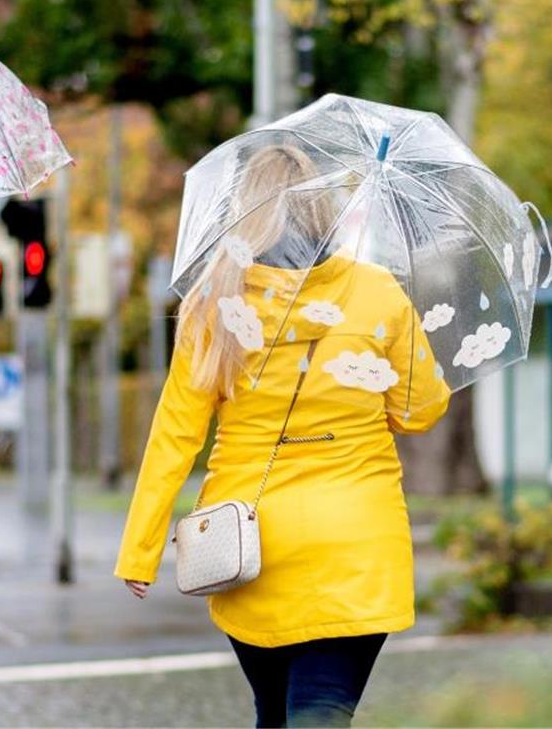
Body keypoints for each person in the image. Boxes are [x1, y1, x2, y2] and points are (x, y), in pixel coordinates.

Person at [115, 144, 451, 728]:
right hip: (354, 547)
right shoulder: (377, 294)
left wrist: (140, 551)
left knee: (271, 713)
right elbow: (420, 411)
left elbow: (175, 435)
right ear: (324, 209)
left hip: (248, 545)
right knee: (319, 714)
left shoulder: (213, 306)